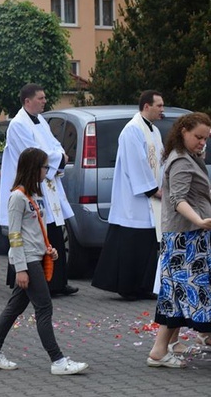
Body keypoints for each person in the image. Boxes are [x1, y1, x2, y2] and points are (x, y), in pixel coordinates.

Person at [0, 147, 89, 375]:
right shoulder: (17, 197)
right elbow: (14, 235)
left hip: (35, 257)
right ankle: (58, 361)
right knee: (44, 307)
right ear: (33, 168)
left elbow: (34, 231)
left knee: (14, 308)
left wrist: (47, 249)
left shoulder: (35, 196)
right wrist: (20, 269)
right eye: (44, 167)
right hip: (27, 261)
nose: (46, 171)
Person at [0, 83, 77, 296]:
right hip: (32, 182)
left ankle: (58, 281)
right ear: (27, 101)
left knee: (53, 231)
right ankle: (42, 282)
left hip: (47, 181)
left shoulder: (41, 120)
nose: (44, 101)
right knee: (36, 231)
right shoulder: (18, 124)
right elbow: (32, 153)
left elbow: (54, 144)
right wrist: (59, 157)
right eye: (40, 98)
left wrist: (60, 154)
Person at [146, 112, 211, 368]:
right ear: (183, 130)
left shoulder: (190, 157)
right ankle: (160, 350)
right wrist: (199, 220)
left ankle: (164, 347)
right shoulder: (182, 161)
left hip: (188, 237)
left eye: (206, 139)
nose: (202, 142)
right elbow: (177, 200)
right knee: (183, 293)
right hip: (186, 239)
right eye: (198, 137)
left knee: (177, 294)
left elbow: (198, 193)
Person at [92, 90, 165, 300]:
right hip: (135, 198)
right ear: (146, 106)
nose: (162, 110)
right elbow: (137, 163)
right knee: (131, 244)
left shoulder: (154, 131)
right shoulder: (132, 130)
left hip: (151, 198)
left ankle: (144, 285)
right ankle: (127, 286)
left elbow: (159, 160)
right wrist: (152, 189)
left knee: (149, 243)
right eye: (159, 105)